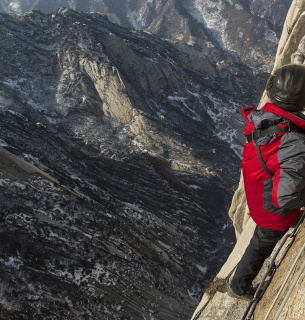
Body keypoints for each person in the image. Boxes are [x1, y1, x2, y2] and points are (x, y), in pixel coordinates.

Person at [228, 63, 305, 302]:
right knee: (260, 245)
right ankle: (238, 287)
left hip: (260, 193)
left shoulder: (267, 120)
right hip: (273, 210)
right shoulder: (293, 142)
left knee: (258, 242)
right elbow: (286, 197)